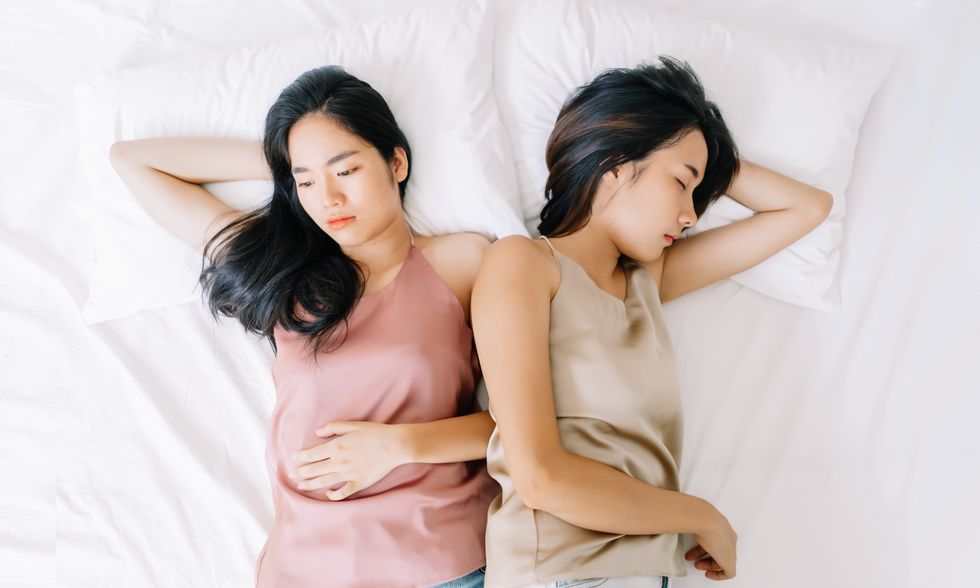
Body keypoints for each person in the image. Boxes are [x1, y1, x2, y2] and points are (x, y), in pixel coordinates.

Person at [109, 65, 498, 588]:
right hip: (306, 569)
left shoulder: (465, 262)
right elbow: (133, 161)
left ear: (396, 161)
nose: (328, 199)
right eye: (307, 180)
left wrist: (398, 446)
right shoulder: (284, 276)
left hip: (441, 561)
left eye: (346, 170)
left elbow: (528, 424)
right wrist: (283, 156)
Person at [471, 56, 833, 588]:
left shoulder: (645, 285)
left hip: (648, 572)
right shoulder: (522, 264)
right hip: (557, 572)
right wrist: (700, 515)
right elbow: (541, 478)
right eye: (683, 184)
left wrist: (706, 152)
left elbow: (807, 209)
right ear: (615, 166)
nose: (691, 214)